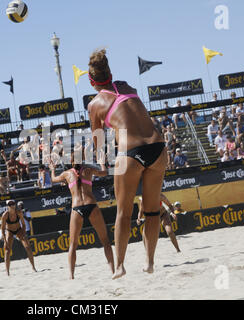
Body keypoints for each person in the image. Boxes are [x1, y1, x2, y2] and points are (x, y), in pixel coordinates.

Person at [87, 48, 167, 278]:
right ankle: (150, 262)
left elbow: (98, 141)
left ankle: (120, 266)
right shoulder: (127, 87)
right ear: (110, 74)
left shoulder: (95, 104)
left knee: (123, 213)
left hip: (131, 152)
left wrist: (102, 167)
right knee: (152, 212)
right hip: (158, 148)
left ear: (92, 81)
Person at [49, 151, 114, 279]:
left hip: (76, 207)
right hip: (91, 205)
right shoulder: (89, 170)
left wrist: (52, 169)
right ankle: (113, 271)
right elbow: (105, 173)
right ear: (83, 159)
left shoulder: (67, 174)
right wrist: (102, 163)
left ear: (71, 161)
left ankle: (71, 275)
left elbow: (53, 179)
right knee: (105, 241)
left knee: (73, 245)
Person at [1, 199, 37, 276]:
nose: (12, 206)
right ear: (7, 206)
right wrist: (5, 240)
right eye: (10, 204)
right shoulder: (5, 215)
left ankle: (33, 267)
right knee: (7, 250)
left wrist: (23, 234)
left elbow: (23, 225)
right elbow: (3, 228)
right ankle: (7, 272)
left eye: (13, 204)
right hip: (9, 231)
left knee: (28, 247)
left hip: (18, 230)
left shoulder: (19, 212)